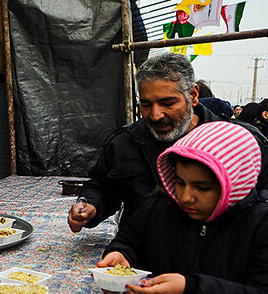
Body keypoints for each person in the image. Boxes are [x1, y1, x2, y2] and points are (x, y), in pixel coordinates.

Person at [96, 121, 268, 294]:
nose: (186, 196)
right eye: (180, 181)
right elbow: (130, 240)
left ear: (234, 182)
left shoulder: (259, 225)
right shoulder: (162, 207)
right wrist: (120, 256)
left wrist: (190, 290)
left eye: (202, 187)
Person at [68, 52, 268, 233]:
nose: (155, 115)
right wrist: (90, 205)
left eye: (167, 103)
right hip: (139, 259)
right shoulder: (125, 142)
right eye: (146, 105)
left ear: (193, 95)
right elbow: (102, 186)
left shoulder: (239, 144)